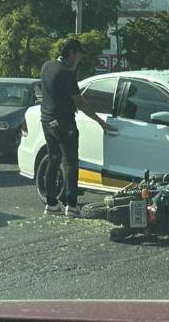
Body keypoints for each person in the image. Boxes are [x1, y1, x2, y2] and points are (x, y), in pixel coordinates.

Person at [40, 39, 116, 217]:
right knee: (70, 162)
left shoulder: (47, 66)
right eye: (79, 55)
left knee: (53, 158)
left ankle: (51, 203)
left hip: (47, 120)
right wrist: (99, 120)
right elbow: (79, 101)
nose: (79, 59)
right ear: (72, 53)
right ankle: (71, 205)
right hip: (64, 122)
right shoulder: (66, 73)